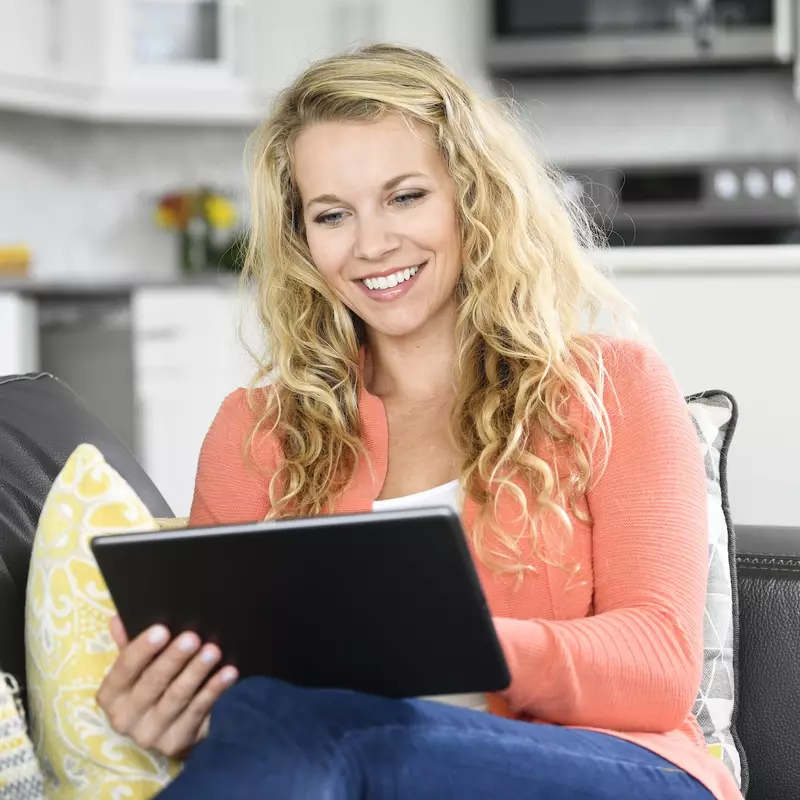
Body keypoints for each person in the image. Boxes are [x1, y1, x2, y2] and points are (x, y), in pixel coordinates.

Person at [96, 44, 742, 799]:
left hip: (619, 770)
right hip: (352, 773)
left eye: (405, 197)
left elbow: (660, 665)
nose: (372, 244)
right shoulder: (258, 431)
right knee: (287, 722)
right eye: (333, 215)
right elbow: (239, 704)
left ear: (472, 197)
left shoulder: (611, 385)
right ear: (304, 242)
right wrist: (172, 705)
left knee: (327, 724)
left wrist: (447, 646)